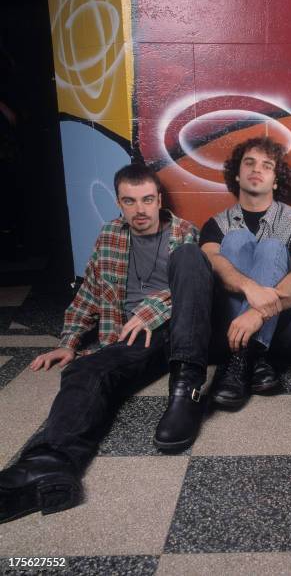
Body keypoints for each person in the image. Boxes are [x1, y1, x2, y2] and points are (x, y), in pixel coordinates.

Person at [0, 164, 213, 524]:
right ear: (119, 203)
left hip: (174, 332)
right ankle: (51, 465)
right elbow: (90, 292)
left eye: (147, 199)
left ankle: (184, 393)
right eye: (130, 201)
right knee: (86, 369)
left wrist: (149, 311)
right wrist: (69, 341)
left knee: (192, 260)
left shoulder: (184, 234)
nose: (140, 210)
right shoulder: (110, 235)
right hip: (125, 337)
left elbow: (195, 292)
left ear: (159, 199)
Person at [200, 137, 291, 407]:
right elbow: (211, 261)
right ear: (237, 176)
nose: (256, 169)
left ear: (276, 180)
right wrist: (250, 289)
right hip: (226, 327)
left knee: (273, 246)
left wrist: (257, 313)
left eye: (266, 165)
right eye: (249, 163)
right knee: (236, 240)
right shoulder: (216, 224)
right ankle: (255, 361)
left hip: (280, 330)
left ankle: (238, 360)